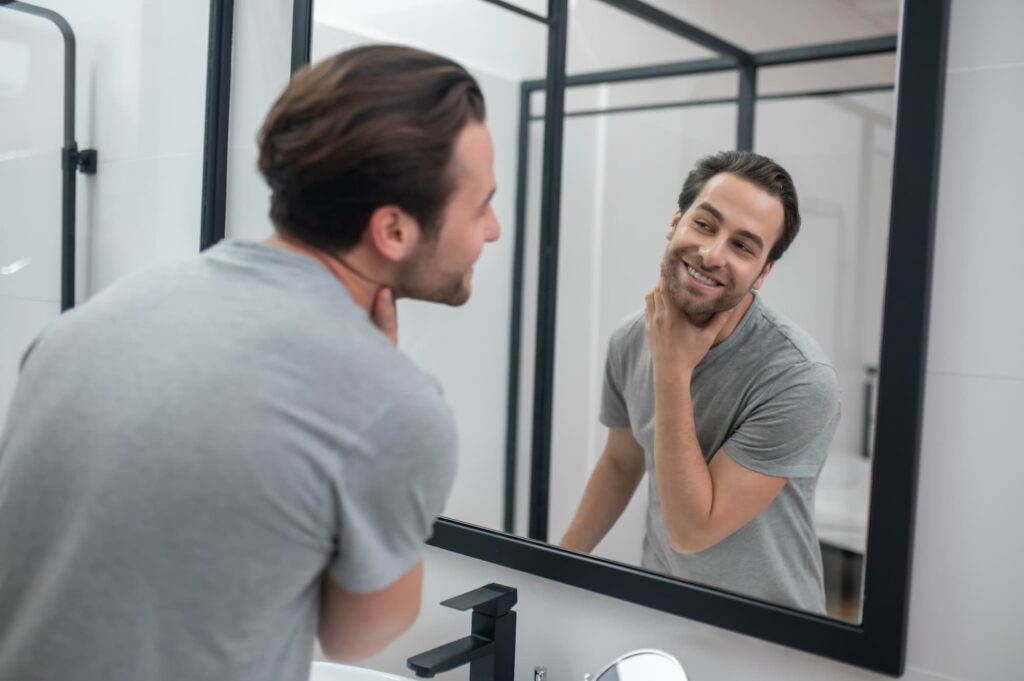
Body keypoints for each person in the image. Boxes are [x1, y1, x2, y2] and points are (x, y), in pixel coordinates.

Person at [0, 45, 499, 681]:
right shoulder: (391, 406)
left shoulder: (97, 318)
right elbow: (352, 640)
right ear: (393, 230)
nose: (494, 229)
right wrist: (376, 389)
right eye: (481, 204)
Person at [560, 151, 839, 613]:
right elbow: (622, 461)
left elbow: (693, 531)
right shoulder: (630, 340)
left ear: (764, 272)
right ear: (676, 222)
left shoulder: (800, 378)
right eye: (705, 225)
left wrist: (672, 367)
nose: (712, 255)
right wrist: (558, 568)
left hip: (771, 635)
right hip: (662, 607)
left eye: (743, 247)